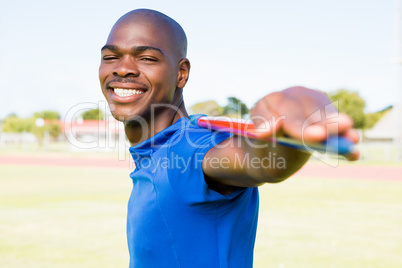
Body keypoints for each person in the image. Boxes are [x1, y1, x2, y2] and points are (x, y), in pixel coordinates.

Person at [99, 8, 359, 268]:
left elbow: (257, 161)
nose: (122, 69)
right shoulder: (156, 148)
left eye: (146, 58)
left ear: (181, 73)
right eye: (110, 57)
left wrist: (303, 104)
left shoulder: (186, 149)